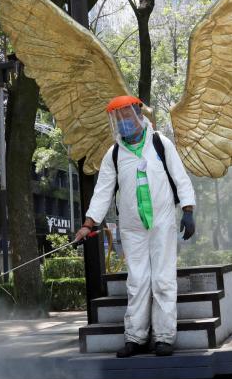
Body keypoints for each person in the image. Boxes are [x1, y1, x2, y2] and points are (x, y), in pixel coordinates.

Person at [74, 95, 196, 358]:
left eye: (127, 116)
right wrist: (88, 224)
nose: (124, 122)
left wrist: (188, 209)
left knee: (162, 279)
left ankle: (164, 337)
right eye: (118, 118)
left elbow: (180, 176)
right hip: (132, 227)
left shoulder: (159, 143)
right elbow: (103, 191)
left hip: (162, 221)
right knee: (138, 281)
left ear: (139, 115)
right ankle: (135, 338)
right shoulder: (114, 154)